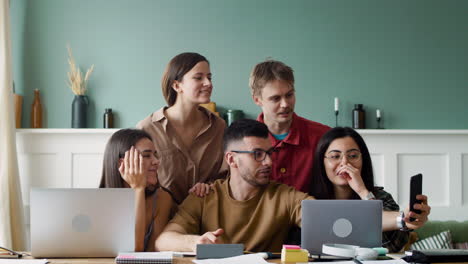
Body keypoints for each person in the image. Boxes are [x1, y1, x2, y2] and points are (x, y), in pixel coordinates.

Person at [155, 119, 430, 253]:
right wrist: (198, 242)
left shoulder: (284, 197)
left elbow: (341, 218)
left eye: (269, 153)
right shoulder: (205, 195)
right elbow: (163, 240)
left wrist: (402, 219)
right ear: (232, 159)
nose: (267, 161)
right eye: (257, 154)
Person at [309, 126, 432, 252]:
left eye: (352, 155)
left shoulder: (383, 197)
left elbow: (389, 247)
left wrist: (363, 192)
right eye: (335, 156)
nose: (345, 163)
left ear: (363, 160)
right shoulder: (309, 200)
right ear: (321, 161)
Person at [137, 52, 226, 204]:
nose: (208, 83)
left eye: (209, 77)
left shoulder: (219, 126)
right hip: (161, 219)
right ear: (177, 85)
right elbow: (138, 180)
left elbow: (225, 177)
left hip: (207, 214)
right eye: (199, 78)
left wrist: (209, 187)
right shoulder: (147, 129)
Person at [249, 60, 330, 193]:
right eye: (275, 98)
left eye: (289, 95)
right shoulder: (242, 143)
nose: (285, 104)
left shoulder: (322, 136)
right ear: (257, 100)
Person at [99, 128, 175, 252]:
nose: (156, 161)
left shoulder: (162, 199)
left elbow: (137, 250)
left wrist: (138, 189)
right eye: (146, 155)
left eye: (155, 154)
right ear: (122, 164)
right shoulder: (98, 202)